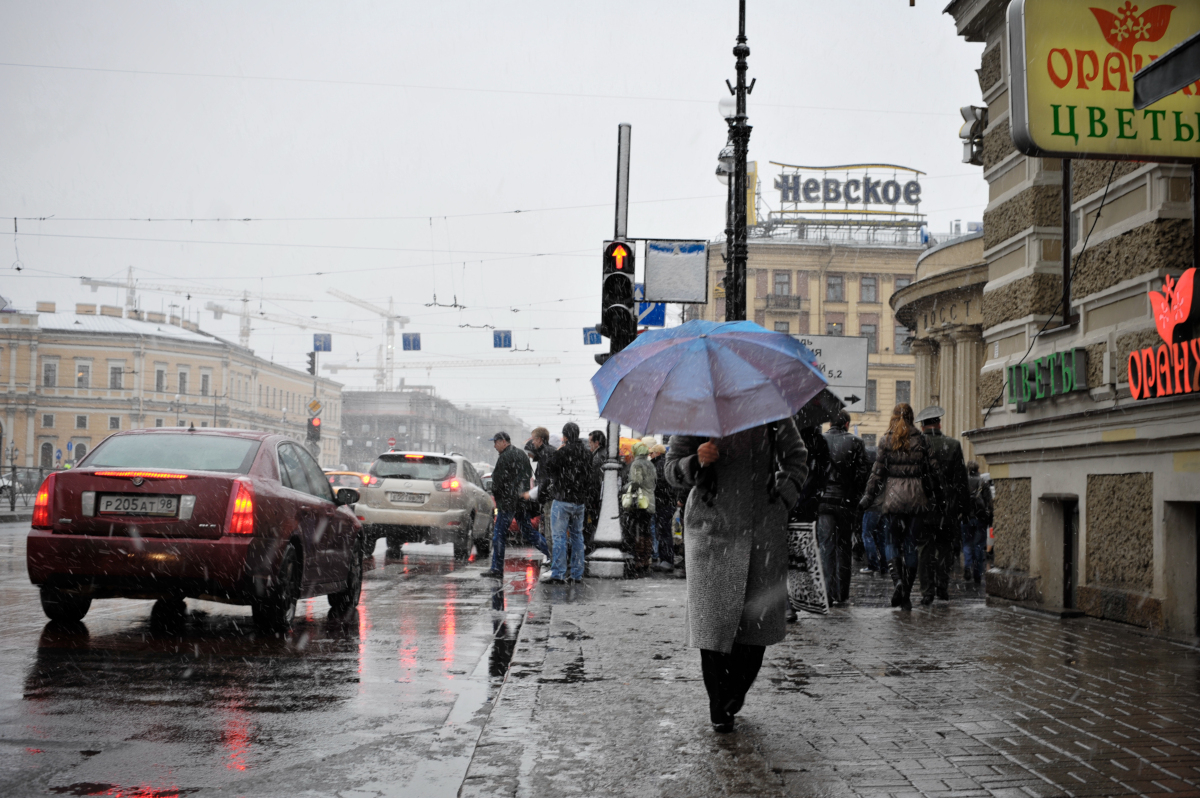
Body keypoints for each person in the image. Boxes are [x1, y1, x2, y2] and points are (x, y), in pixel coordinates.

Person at [666, 419, 808, 734]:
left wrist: (782, 497)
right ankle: (720, 705)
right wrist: (695, 461)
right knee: (712, 623)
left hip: (762, 528)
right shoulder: (696, 411)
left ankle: (734, 693)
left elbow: (797, 458)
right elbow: (670, 469)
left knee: (757, 624)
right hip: (710, 528)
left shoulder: (772, 413)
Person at [858, 404, 937, 611]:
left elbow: (877, 473)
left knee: (891, 542)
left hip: (893, 498)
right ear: (912, 418)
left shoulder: (886, 440)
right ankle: (907, 595)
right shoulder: (922, 441)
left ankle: (898, 582)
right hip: (916, 498)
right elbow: (931, 472)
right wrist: (934, 496)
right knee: (911, 544)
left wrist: (868, 496)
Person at [915, 406, 968, 605]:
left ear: (922, 427)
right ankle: (942, 588)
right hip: (947, 508)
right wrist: (963, 508)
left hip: (923, 507)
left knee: (924, 551)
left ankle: (926, 592)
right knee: (945, 549)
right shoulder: (953, 445)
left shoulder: (917, 446)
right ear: (939, 424)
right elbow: (961, 481)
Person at [481, 432, 550, 579]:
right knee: (528, 532)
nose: (494, 446)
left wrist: (499, 496)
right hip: (520, 501)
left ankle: (496, 568)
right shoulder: (521, 454)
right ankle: (553, 554)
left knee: (499, 534)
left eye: (496, 442)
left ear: (504, 441)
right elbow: (526, 477)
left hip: (508, 503)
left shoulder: (505, 457)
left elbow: (498, 481)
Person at [817, 410, 868, 605]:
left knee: (826, 547)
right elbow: (863, 473)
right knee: (844, 547)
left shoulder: (819, 441)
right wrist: (853, 495)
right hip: (845, 502)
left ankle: (827, 594)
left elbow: (812, 470)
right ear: (846, 424)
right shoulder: (856, 442)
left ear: (830, 423)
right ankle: (842, 593)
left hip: (823, 501)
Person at [535, 422, 593, 584]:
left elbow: (550, 468)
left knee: (559, 537)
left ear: (565, 436)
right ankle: (577, 573)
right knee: (577, 537)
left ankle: (559, 572)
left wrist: (560, 450)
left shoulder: (562, 452)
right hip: (579, 502)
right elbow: (589, 476)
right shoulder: (587, 453)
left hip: (562, 500)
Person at [625, 441, 657, 575]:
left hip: (640, 501)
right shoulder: (650, 464)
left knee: (637, 530)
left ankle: (638, 559)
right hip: (650, 500)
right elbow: (655, 481)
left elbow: (636, 482)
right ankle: (646, 558)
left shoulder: (636, 464)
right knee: (647, 530)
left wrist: (626, 487)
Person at [525, 427, 557, 555]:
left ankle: (554, 564)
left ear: (539, 440)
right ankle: (556, 563)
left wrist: (532, 494)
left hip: (549, 499)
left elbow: (545, 480)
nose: (532, 443)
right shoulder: (550, 452)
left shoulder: (545, 454)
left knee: (550, 534)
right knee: (553, 533)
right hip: (553, 497)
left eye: (533, 439)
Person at [962, 460, 992, 584]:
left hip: (966, 518)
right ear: (978, 470)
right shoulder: (983, 483)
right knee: (979, 546)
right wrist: (990, 519)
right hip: (980, 518)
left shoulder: (963, 482)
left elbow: (959, 501)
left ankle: (968, 566)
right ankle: (977, 573)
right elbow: (989, 503)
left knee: (967, 544)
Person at [859, 447, 887, 576]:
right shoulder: (887, 467)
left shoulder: (876, 469)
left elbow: (870, 490)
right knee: (881, 538)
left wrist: (863, 504)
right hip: (883, 506)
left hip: (873, 507)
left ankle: (873, 565)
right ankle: (884, 566)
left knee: (867, 535)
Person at [649, 442, 676, 573]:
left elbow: (659, 484)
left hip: (663, 503)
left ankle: (666, 560)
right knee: (664, 531)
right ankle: (665, 559)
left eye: (651, 453)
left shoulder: (659, 465)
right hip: (667, 502)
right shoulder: (665, 464)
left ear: (657, 453)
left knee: (664, 532)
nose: (650, 455)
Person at [585, 430, 607, 551]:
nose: (589, 445)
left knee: (593, 524)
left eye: (590, 442)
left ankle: (592, 548)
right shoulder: (606, 454)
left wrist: (590, 499)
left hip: (596, 498)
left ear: (597, 443)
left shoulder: (597, 458)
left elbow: (594, 482)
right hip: (602, 497)